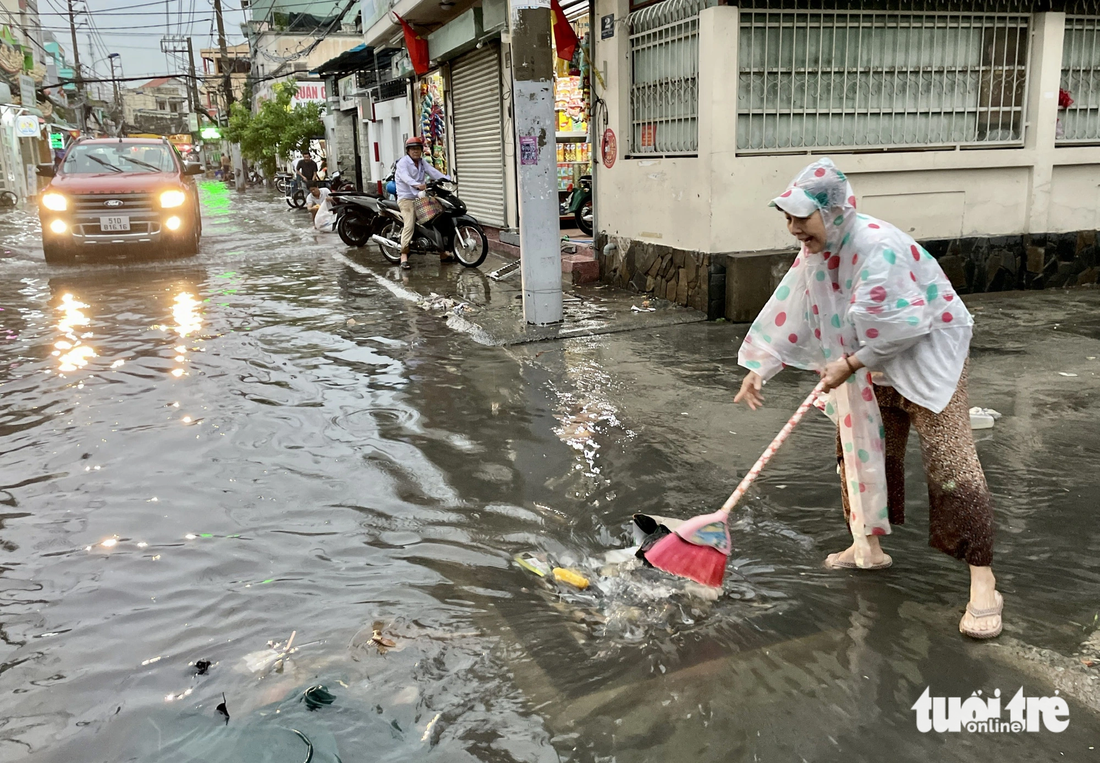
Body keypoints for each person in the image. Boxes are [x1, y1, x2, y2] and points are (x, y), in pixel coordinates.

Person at [733, 158, 1002, 640]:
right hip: (866, 361)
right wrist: (760, 367)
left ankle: (985, 585)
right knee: (860, 450)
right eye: (788, 218)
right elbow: (791, 304)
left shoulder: (877, 248)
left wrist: (850, 365)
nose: (794, 228)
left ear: (833, 212)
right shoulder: (818, 251)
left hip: (925, 357)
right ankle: (867, 547)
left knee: (951, 464)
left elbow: (906, 324)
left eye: (802, 218)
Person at [394, 136, 453, 270]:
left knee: (437, 218)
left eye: (418, 149)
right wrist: (417, 185)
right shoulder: (402, 163)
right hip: (406, 198)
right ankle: (403, 256)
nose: (415, 151)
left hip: (420, 196)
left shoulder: (421, 162)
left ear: (421, 150)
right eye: (412, 149)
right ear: (408, 151)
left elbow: (433, 172)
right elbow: (405, 177)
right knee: (409, 223)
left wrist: (447, 179)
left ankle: (442, 252)